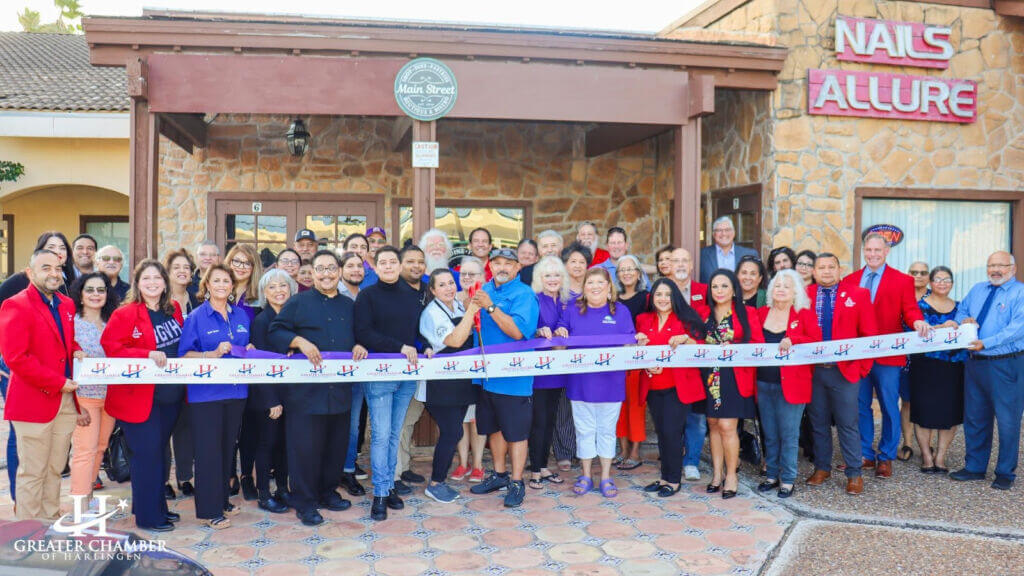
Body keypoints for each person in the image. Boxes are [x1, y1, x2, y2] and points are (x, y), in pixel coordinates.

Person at [270, 250, 367, 525]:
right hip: (305, 395)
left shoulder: (350, 306)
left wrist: (360, 345)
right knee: (305, 450)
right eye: (320, 269)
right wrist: (299, 342)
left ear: (339, 272)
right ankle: (305, 501)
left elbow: (360, 336)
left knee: (335, 447)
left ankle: (327, 493)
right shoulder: (298, 302)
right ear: (311, 274)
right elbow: (276, 331)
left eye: (331, 268)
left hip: (340, 391)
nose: (326, 274)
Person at [0, 249, 86, 520]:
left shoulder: (66, 304)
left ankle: (48, 523)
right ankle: (27, 535)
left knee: (55, 468)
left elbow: (64, 342)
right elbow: (17, 358)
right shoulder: (16, 304)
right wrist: (59, 383)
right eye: (45, 267)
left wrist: (77, 349)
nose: (53, 273)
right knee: (32, 471)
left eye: (57, 268)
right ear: (30, 272)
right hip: (33, 401)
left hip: (65, 402)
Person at [102, 259, 184, 531]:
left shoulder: (174, 310)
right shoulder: (125, 314)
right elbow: (111, 347)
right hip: (137, 399)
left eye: (157, 278)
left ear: (165, 282)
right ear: (137, 284)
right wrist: (146, 354)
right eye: (146, 279)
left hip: (169, 398)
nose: (152, 283)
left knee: (158, 455)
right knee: (146, 456)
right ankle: (149, 518)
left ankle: (155, 506)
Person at [842, 233, 929, 478]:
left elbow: (910, 310)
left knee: (890, 406)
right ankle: (865, 454)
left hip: (888, 357)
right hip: (858, 356)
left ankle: (886, 456)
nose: (872, 254)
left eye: (877, 250)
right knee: (860, 406)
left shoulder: (902, 280)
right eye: (868, 250)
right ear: (863, 250)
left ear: (887, 251)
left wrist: (918, 321)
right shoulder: (850, 280)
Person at [354, 246, 425, 520]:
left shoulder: (413, 296)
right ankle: (380, 493)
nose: (387, 266)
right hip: (380, 375)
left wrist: (425, 347)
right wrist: (400, 346)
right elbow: (364, 333)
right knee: (381, 435)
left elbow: (418, 332)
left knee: (395, 433)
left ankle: (390, 485)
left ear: (399, 265)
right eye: (382, 262)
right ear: (376, 266)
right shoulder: (367, 296)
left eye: (392, 261)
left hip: (406, 375)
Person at [178, 263, 251, 529]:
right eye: (216, 281)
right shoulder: (197, 317)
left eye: (226, 281)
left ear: (232, 286)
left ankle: (222, 500)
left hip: (236, 392)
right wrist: (211, 354)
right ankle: (210, 510)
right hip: (205, 395)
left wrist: (250, 349)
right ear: (207, 285)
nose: (222, 285)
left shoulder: (241, 316)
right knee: (208, 452)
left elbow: (246, 347)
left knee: (226, 450)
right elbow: (184, 355)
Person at [468, 248, 540, 508]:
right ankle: (499, 475)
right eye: (496, 262)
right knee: (494, 429)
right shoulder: (485, 287)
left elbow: (518, 332)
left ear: (518, 267)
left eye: (508, 264)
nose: (502, 267)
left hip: (514, 378)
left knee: (516, 434)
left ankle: (517, 482)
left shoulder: (524, 294)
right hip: (486, 377)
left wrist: (490, 306)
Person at [556, 267, 634, 498]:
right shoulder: (572, 310)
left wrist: (637, 342)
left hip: (611, 384)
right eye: (590, 283)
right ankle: (587, 474)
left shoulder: (621, 311)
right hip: (580, 383)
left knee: (607, 431)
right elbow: (561, 345)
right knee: (584, 430)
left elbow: (630, 345)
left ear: (609, 287)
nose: (595, 287)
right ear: (584, 288)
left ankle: (607, 476)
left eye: (600, 283)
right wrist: (560, 334)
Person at [805, 253, 877, 495]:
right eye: (821, 267)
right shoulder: (804, 295)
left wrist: (862, 369)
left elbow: (869, 335)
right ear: (814, 272)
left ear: (839, 269)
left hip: (845, 372)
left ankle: (854, 473)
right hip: (814, 371)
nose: (826, 271)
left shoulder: (858, 295)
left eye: (831, 267)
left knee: (848, 423)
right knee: (818, 423)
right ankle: (822, 468)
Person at [951, 251, 1024, 490]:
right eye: (991, 265)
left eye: (1001, 265)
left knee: (1007, 420)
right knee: (975, 417)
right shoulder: (978, 289)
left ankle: (1005, 472)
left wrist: (987, 342)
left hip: (1005, 363)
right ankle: (974, 467)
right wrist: (965, 321)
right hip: (975, 362)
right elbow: (961, 311)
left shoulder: (1019, 292)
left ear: (1012, 269)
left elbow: (1017, 329)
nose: (995, 270)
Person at [635, 278, 705, 497]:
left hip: (678, 386)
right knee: (661, 432)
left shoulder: (686, 318)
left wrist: (687, 339)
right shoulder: (643, 319)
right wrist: (644, 362)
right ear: (652, 298)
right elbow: (638, 354)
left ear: (674, 296)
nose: (663, 299)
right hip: (653, 384)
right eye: (658, 295)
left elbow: (703, 347)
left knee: (672, 433)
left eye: (667, 294)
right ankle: (664, 476)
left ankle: (673, 480)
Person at [755, 269, 821, 498]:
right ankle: (772, 475)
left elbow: (816, 341)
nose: (781, 289)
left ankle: (789, 479)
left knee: (789, 434)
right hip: (763, 383)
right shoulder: (761, 313)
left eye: (787, 286)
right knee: (770, 433)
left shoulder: (803, 314)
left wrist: (795, 339)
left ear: (795, 292)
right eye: (778, 285)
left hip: (793, 385)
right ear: (771, 290)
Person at [699, 269, 764, 499]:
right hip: (709, 377)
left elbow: (758, 344)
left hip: (735, 376)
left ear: (734, 289)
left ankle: (732, 476)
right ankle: (716, 475)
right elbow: (696, 340)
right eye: (715, 286)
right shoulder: (704, 313)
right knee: (714, 424)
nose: (719, 291)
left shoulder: (747, 313)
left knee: (728, 426)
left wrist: (735, 348)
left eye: (724, 286)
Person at [418, 269, 480, 503]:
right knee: (452, 431)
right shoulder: (432, 313)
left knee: (455, 430)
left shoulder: (460, 307)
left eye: (451, 283)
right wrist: (472, 311)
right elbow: (454, 340)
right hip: (441, 384)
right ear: (433, 290)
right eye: (442, 285)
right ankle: (435, 483)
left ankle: (439, 481)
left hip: (462, 381)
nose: (449, 288)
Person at [245, 269, 295, 513]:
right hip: (268, 397)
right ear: (264, 293)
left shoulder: (293, 318)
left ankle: (283, 489)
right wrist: (271, 400)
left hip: (290, 394)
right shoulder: (261, 321)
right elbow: (259, 363)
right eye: (272, 287)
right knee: (267, 444)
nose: (278, 291)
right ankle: (264, 494)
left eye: (283, 285)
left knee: (285, 444)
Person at [908, 266, 964, 474]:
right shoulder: (917, 307)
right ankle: (926, 455)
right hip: (925, 366)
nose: (942, 283)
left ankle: (941, 456)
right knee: (924, 411)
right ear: (931, 283)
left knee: (950, 412)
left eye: (947, 279)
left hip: (954, 366)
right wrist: (942, 329)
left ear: (952, 283)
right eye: (938, 279)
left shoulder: (961, 307)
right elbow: (909, 332)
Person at [68, 273, 118, 504]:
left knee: (100, 447)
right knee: (84, 450)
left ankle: (87, 493)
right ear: (80, 293)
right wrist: (74, 405)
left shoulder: (113, 322)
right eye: (90, 290)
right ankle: (79, 501)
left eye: (101, 290)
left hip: (111, 397)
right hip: (84, 397)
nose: (96, 294)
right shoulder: (72, 323)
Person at [529, 255, 572, 489]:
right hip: (539, 371)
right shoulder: (533, 299)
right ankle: (535, 470)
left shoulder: (568, 300)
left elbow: (571, 324)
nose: (553, 279)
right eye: (548, 275)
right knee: (539, 421)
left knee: (551, 420)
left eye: (557, 275)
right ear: (540, 278)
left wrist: (565, 328)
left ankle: (544, 467)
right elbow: (526, 328)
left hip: (561, 370)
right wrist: (538, 331)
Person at [670, 246, 708, 481]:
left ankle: (691, 460)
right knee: (671, 416)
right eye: (676, 261)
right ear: (669, 266)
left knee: (696, 417)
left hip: (697, 364)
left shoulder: (705, 291)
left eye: (685, 260)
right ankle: (673, 457)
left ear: (692, 265)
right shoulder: (662, 291)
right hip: (671, 364)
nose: (681, 265)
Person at [165, 249, 199, 499]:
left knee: (186, 430)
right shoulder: (160, 301)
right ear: (168, 271)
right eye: (176, 266)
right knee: (164, 430)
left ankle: (185, 477)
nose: (182, 271)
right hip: (166, 375)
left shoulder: (197, 299)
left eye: (186, 267)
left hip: (193, 375)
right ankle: (164, 479)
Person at [553, 243, 591, 469]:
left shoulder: (594, 289)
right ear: (565, 265)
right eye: (573, 261)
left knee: (585, 404)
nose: (577, 266)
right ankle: (564, 451)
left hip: (590, 358)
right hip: (564, 357)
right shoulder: (560, 292)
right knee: (564, 406)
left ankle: (584, 449)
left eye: (582, 262)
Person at [395, 245, 429, 487]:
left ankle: (404, 467)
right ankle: (394, 474)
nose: (416, 266)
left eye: (420, 261)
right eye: (410, 261)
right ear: (400, 264)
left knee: (410, 417)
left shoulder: (429, 290)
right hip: (399, 364)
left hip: (423, 365)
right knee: (397, 420)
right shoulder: (392, 291)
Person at [452, 256, 488, 482]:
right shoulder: (452, 298)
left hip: (480, 367)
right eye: (463, 273)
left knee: (477, 419)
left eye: (472, 274)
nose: (466, 277)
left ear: (483, 278)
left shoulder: (488, 300)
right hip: (457, 368)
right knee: (460, 418)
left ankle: (477, 465)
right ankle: (463, 463)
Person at [614, 254, 649, 470]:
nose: (627, 273)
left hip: (638, 358)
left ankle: (635, 452)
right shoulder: (613, 298)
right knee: (619, 405)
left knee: (635, 406)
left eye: (631, 269)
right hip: (617, 358)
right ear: (617, 275)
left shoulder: (646, 297)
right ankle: (623, 449)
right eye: (622, 270)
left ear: (638, 273)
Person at [898, 260, 931, 462]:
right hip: (904, 357)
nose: (918, 275)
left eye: (923, 272)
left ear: (928, 276)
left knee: (926, 402)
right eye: (913, 272)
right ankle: (908, 442)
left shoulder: (934, 298)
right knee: (907, 402)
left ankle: (926, 444)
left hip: (927, 359)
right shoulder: (902, 294)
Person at [699, 217, 758, 284]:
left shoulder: (749, 254)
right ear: (713, 234)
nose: (723, 234)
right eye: (719, 230)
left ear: (734, 233)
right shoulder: (702, 255)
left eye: (727, 230)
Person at [225, 244, 263, 324]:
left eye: (247, 263)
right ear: (229, 263)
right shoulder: (218, 290)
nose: (241, 267)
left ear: (254, 267)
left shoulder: (261, 295)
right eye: (236, 261)